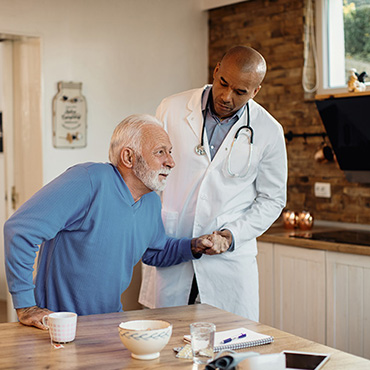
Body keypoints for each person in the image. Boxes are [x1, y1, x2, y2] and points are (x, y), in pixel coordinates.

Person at [4, 114, 229, 330]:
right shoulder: (89, 180)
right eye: (160, 152)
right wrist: (25, 305)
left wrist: (195, 245)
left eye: (169, 152)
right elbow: (21, 230)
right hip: (56, 324)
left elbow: (155, 251)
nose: (170, 162)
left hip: (109, 324)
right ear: (128, 157)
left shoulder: (150, 201)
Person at [139, 46, 288, 321]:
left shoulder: (268, 130)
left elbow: (272, 200)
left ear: (256, 91)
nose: (226, 97)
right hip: (173, 243)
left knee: (229, 348)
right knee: (167, 347)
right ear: (216, 70)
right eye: (223, 83)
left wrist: (231, 236)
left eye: (240, 92)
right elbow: (147, 173)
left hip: (228, 262)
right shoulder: (171, 108)